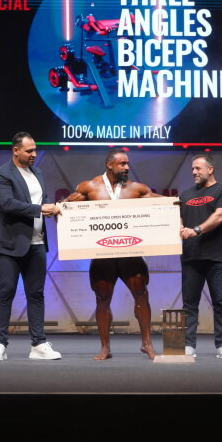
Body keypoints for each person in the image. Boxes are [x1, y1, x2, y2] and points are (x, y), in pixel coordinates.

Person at [64, 148, 161, 360]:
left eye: (128, 164)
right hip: (103, 255)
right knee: (102, 298)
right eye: (122, 164)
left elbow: (164, 205)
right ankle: (105, 348)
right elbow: (67, 208)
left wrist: (179, 206)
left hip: (130, 253)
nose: (127, 167)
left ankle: (147, 344)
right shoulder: (90, 187)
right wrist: (58, 211)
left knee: (141, 294)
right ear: (109, 165)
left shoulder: (137, 189)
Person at [0, 132, 61, 361]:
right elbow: (7, 204)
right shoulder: (1, 174)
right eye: (29, 150)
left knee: (36, 295)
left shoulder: (38, 173)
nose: (34, 154)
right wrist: (41, 209)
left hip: (37, 243)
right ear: (16, 150)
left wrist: (52, 209)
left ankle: (38, 344)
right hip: (9, 244)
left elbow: (41, 200)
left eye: (35, 150)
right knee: (5, 293)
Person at [178, 153, 222, 359]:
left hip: (218, 257)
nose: (194, 172)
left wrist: (196, 230)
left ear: (210, 169)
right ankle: (188, 346)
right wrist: (178, 226)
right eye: (192, 169)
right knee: (189, 304)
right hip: (191, 257)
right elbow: (177, 219)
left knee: (221, 303)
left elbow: (220, 216)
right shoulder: (185, 195)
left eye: (198, 168)